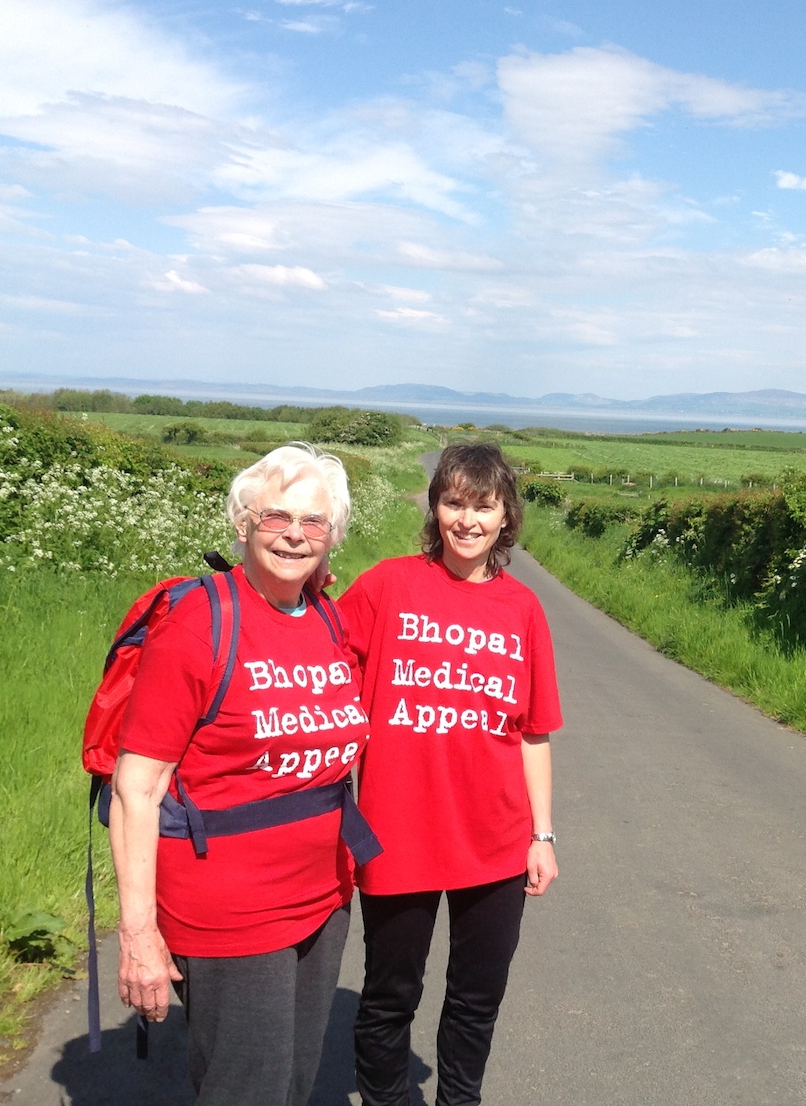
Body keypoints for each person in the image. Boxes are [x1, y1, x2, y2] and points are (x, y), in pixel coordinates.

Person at [110, 442, 379, 1106]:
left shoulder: (324, 615)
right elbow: (136, 787)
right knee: (245, 1089)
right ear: (242, 523)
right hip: (229, 906)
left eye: (314, 521)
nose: (294, 532)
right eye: (275, 516)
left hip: (323, 898)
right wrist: (139, 934)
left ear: (334, 535)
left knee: (292, 1082)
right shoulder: (201, 621)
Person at [337, 441, 562, 1106]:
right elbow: (320, 668)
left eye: (483, 505)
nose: (467, 519)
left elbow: (534, 732)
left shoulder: (522, 609)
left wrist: (541, 835)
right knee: (389, 996)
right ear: (435, 508)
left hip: (496, 841)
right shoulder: (387, 585)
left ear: (505, 515)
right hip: (397, 831)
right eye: (453, 502)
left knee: (476, 1001)